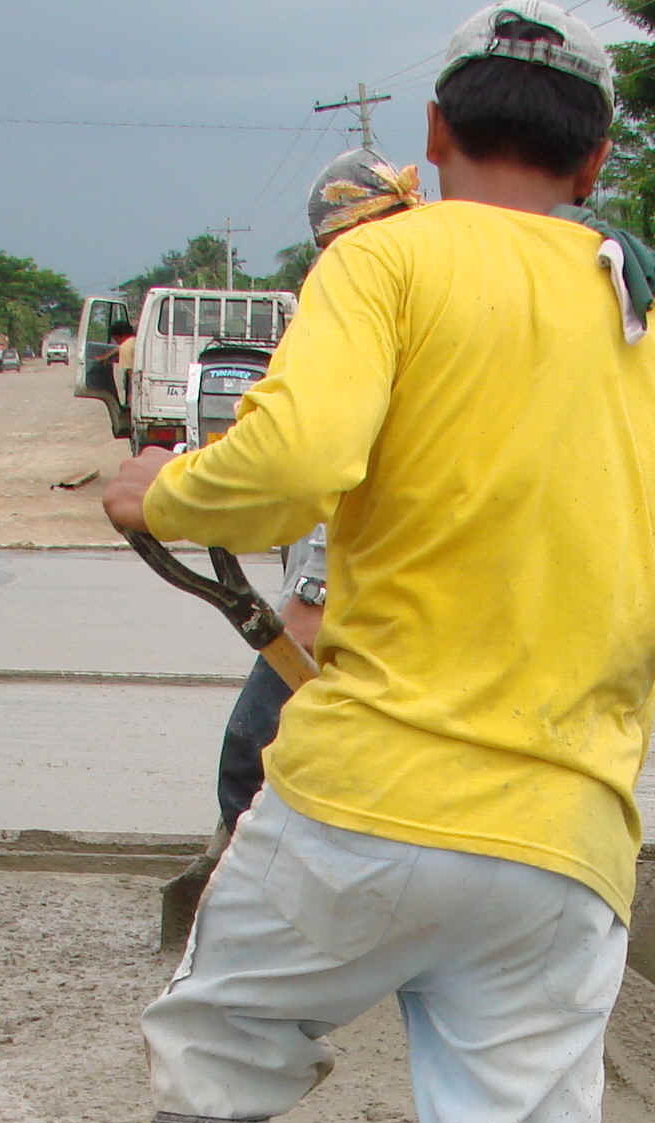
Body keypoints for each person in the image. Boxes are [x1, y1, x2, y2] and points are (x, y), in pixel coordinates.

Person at [100, 0, 655, 1123]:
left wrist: (158, 492)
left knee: (215, 1051)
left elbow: (292, 460)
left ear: (433, 140)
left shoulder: (384, 263)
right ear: (595, 165)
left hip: (364, 798)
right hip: (565, 840)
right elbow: (651, 609)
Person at [212, 148, 426, 834]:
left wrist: (312, 594)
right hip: (409, 594)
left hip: (361, 588)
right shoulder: (427, 287)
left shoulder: (375, 300)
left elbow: (336, 453)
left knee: (252, 752)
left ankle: (240, 880)